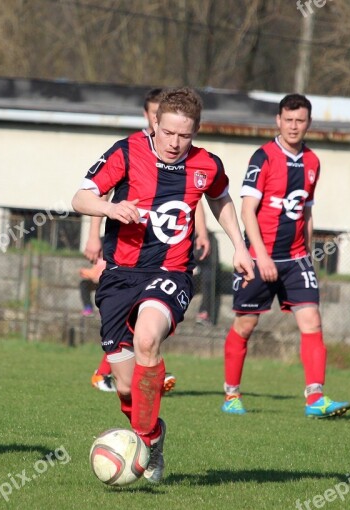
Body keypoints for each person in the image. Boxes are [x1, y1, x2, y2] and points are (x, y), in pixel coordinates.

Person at [72, 87, 254, 483]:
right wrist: (109, 207)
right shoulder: (125, 152)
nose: (174, 143)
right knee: (124, 387)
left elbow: (220, 198)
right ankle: (153, 435)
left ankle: (140, 443)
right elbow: (80, 197)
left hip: (171, 273)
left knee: (148, 340)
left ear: (196, 131)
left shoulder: (206, 164)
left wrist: (240, 246)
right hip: (119, 276)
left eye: (184, 136)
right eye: (168, 133)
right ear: (155, 123)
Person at [221, 93, 350, 419]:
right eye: (288, 120)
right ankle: (231, 395)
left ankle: (315, 399)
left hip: (295, 260)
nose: (294, 126)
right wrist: (260, 257)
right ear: (278, 120)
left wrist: (310, 257)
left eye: (300, 120)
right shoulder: (263, 157)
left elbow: (305, 213)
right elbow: (248, 210)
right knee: (246, 324)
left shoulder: (312, 163)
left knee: (312, 321)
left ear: (308, 123)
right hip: (258, 257)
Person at [85, 88, 177, 395]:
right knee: (122, 325)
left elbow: (193, 200)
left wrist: (201, 231)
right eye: (153, 114)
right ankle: (112, 374)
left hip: (164, 265)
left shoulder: (182, 155)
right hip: (123, 260)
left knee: (146, 330)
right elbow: (100, 195)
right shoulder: (128, 150)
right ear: (148, 116)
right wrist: (94, 234)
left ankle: (147, 371)